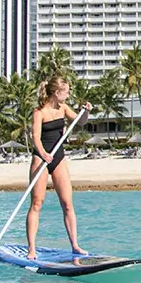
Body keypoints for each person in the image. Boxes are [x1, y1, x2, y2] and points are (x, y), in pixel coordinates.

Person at [27, 76, 92, 260]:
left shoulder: (63, 108)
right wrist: (43, 153)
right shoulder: (39, 112)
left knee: (67, 204)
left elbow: (80, 122)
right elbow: (35, 137)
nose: (69, 94)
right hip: (41, 157)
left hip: (58, 157)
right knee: (37, 203)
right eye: (67, 91)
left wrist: (85, 111)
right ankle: (32, 249)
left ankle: (75, 245)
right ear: (57, 93)